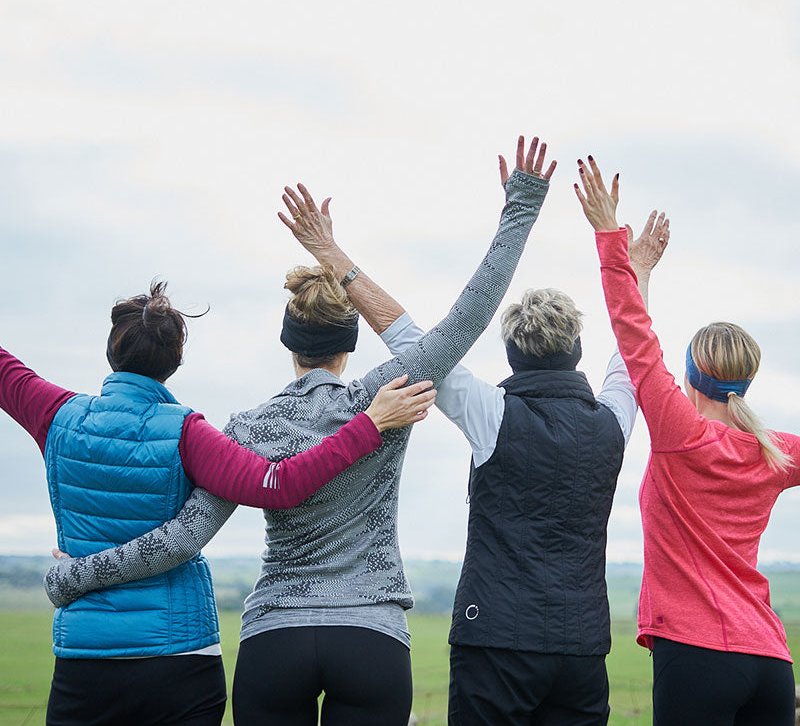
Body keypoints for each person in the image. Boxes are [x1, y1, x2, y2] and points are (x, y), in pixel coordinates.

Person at [46, 134, 555, 726]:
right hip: (371, 635)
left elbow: (182, 538)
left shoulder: (247, 427)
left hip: (274, 639)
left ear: (289, 343)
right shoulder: (383, 396)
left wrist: (75, 575)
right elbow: (466, 318)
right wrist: (520, 207)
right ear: (351, 343)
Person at [281, 161, 668, 725]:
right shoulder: (613, 420)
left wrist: (329, 252)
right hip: (582, 646)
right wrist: (638, 274)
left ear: (512, 352)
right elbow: (632, 352)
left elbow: (408, 333)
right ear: (575, 351)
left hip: (495, 640)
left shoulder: (493, 414)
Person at [6, 280, 435, 726]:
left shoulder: (57, 413)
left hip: (86, 650)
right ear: (176, 361)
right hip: (179, 653)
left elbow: (6, 372)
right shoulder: (190, 434)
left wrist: (73, 574)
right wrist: (367, 426)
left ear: (112, 352)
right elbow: (279, 485)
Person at [575, 156, 800, 726]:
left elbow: (635, 340)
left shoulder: (681, 435)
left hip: (699, 658)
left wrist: (612, 240)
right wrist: (641, 271)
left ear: (691, 372)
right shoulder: (776, 452)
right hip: (771, 661)